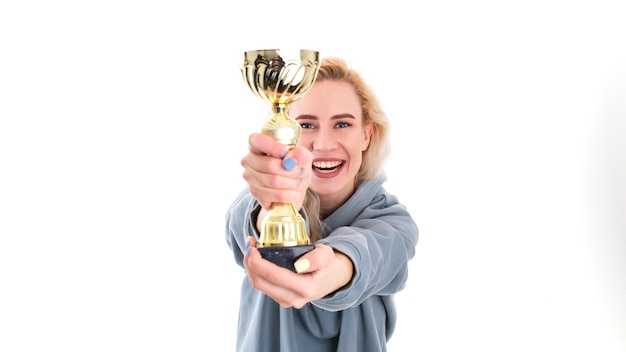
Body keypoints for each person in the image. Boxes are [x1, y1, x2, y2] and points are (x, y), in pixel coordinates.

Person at [225, 56, 419, 352]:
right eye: (307, 125)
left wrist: (331, 271)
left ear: (365, 135)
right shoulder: (255, 201)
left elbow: (367, 254)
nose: (323, 144)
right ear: (285, 134)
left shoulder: (395, 224)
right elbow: (248, 223)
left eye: (342, 124)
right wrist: (276, 202)